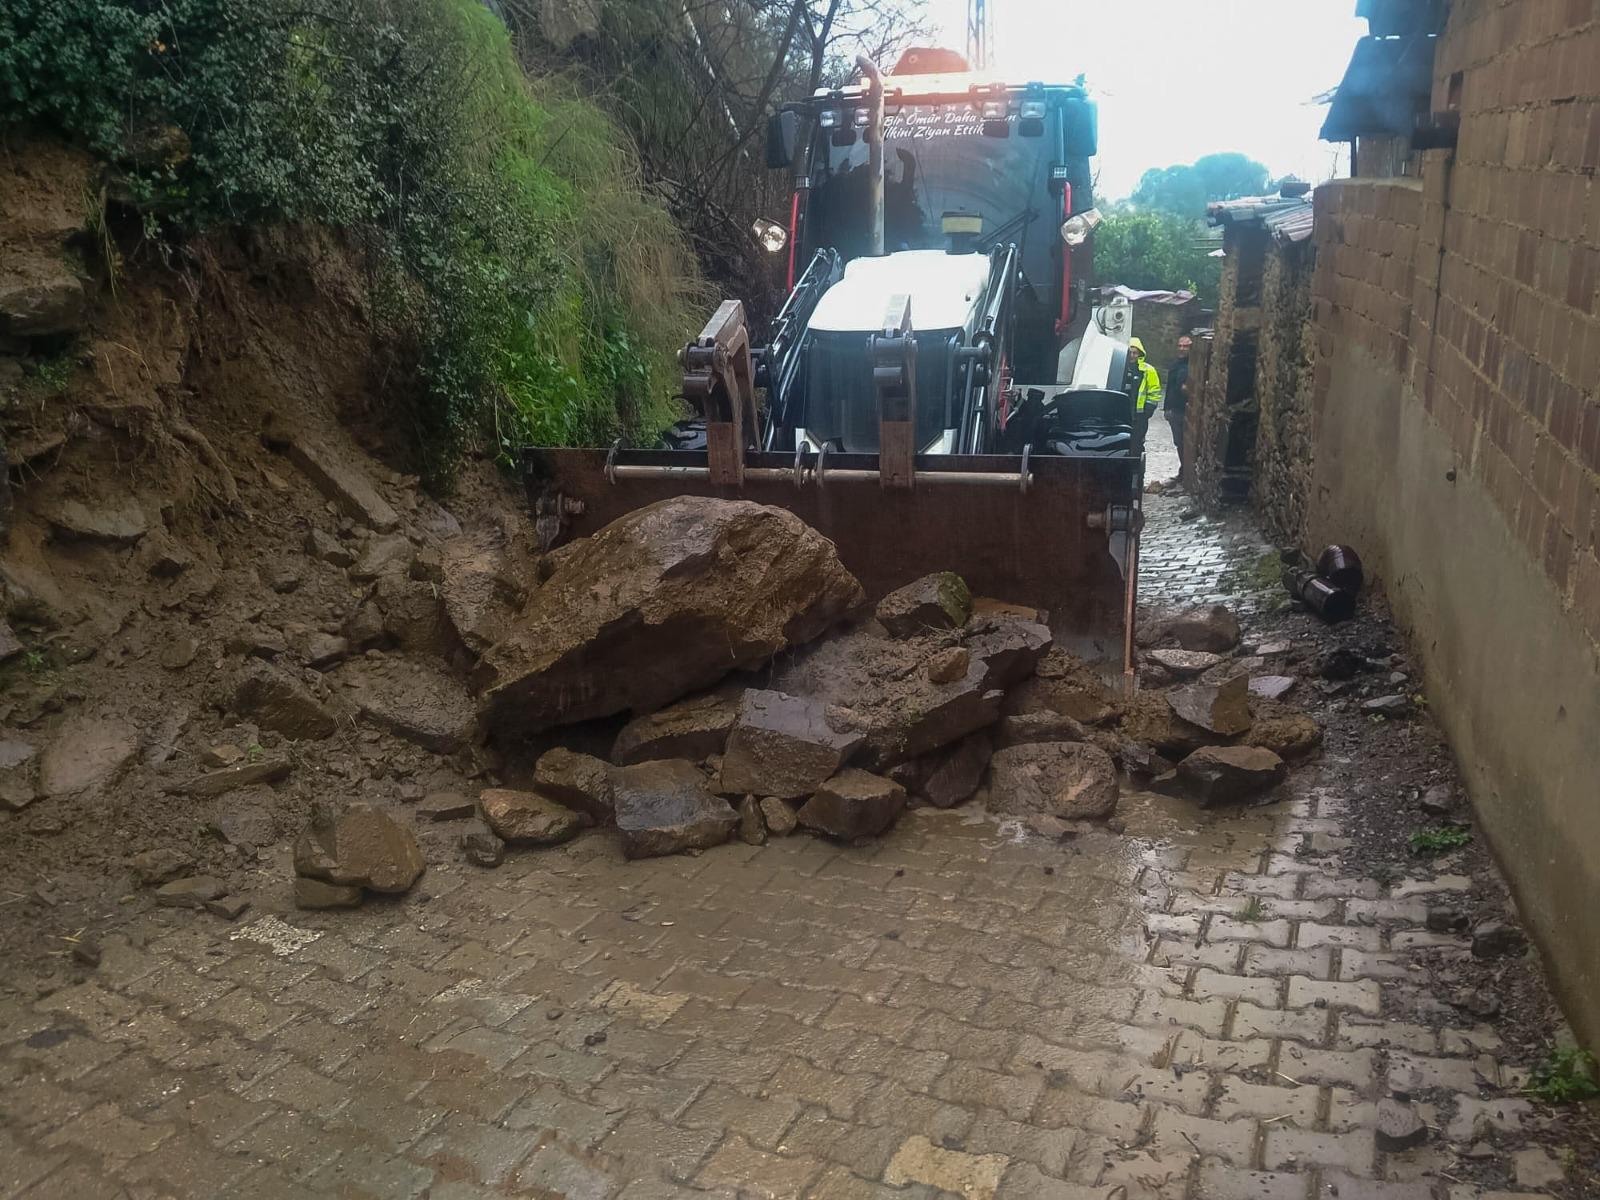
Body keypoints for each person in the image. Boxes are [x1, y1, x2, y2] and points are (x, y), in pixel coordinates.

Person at [1128, 336, 1162, 448]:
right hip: (1122, 413)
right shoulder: (1120, 367)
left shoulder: (1148, 370)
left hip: (1139, 415)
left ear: (1140, 354)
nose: (1132, 355)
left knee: (1137, 443)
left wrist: (1148, 409)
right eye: (1130, 352)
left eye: (1135, 353)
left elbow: (1154, 390)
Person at [1166, 335, 1192, 462]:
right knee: (1178, 442)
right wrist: (1166, 408)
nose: (1182, 349)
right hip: (1175, 410)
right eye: (1180, 346)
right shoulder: (1174, 365)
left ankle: (1186, 469)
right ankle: (1183, 468)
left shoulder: (1193, 365)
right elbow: (1169, 387)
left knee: (1188, 443)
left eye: (1185, 346)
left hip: (1188, 410)